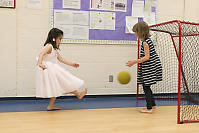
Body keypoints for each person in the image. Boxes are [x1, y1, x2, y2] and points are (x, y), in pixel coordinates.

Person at [36, 28, 87, 111]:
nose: (60, 41)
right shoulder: (49, 46)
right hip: (49, 70)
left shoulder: (54, 48)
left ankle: (51, 105)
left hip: (52, 69)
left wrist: (72, 64)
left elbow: (61, 59)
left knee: (59, 86)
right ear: (54, 38)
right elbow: (41, 54)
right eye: (60, 38)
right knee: (60, 85)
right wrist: (40, 63)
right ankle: (78, 94)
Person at [126, 21, 162, 113]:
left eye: (136, 32)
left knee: (146, 86)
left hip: (151, 66)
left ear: (140, 32)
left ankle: (149, 108)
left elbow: (147, 57)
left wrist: (134, 61)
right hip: (150, 65)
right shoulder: (147, 41)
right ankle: (153, 105)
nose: (135, 34)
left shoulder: (145, 42)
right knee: (147, 86)